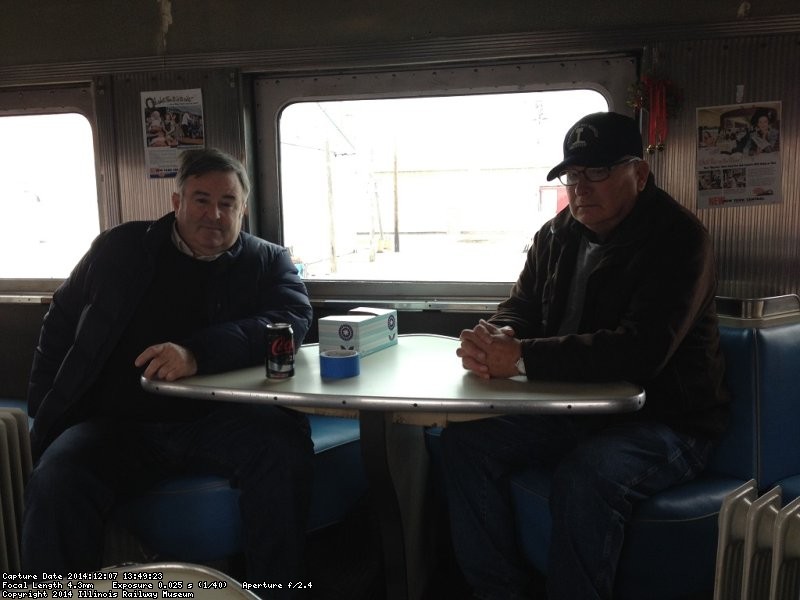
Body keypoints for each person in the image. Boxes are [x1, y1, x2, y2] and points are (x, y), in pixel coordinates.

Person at [441, 112, 730, 600]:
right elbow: (523, 308)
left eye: (597, 172)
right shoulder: (556, 236)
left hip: (666, 419)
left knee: (585, 477)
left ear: (638, 174)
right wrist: (498, 335)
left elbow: (640, 352)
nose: (580, 188)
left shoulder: (679, 239)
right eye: (572, 175)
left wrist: (520, 358)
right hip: (569, 408)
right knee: (463, 444)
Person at [22, 148, 314, 596]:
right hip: (119, 423)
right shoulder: (119, 248)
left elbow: (290, 321)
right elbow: (60, 321)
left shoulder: (268, 261)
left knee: (281, 452)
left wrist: (198, 353)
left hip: (222, 420)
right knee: (58, 478)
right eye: (201, 200)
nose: (214, 214)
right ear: (176, 202)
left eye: (227, 203)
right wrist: (46, 408)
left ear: (243, 208)